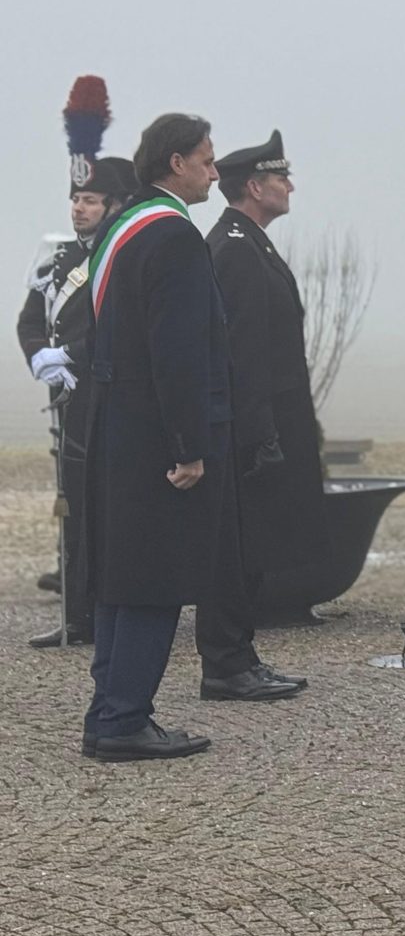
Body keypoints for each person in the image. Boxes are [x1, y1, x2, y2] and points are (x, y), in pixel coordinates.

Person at [80, 114, 233, 760]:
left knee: (120, 573)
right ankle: (121, 720)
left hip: (113, 421)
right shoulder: (173, 236)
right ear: (176, 163)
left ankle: (110, 709)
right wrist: (188, 443)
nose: (215, 172)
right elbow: (178, 352)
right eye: (206, 159)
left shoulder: (120, 228)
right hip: (153, 432)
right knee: (153, 577)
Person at [17, 74, 135, 646]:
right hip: (65, 400)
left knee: (103, 511)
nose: (78, 208)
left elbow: (119, 324)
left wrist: (73, 354)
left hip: (105, 398)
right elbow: (29, 319)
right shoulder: (58, 259)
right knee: (72, 508)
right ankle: (75, 614)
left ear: (113, 204)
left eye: (89, 199)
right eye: (75, 198)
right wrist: (42, 357)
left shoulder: (120, 253)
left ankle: (105, 611)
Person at [201, 130, 315, 700]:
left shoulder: (250, 242)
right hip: (248, 431)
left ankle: (238, 655)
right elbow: (243, 354)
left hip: (262, 423)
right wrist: (261, 433)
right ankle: (225, 663)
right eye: (280, 177)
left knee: (251, 546)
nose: (290, 185)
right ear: (254, 186)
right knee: (236, 547)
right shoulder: (236, 250)